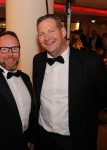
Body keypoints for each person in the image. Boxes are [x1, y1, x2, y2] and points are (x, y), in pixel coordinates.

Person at [33, 14, 107, 150]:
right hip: (43, 138)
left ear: (63, 31)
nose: (47, 38)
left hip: (76, 140)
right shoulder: (38, 61)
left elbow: (102, 99)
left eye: (51, 31)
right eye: (41, 33)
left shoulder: (91, 62)